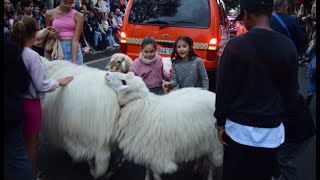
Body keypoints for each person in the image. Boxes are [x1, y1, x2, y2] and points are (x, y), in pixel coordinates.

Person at [214, 0, 299, 180]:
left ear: (247, 14)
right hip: (271, 133)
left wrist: (220, 122)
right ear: (270, 13)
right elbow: (291, 94)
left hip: (237, 130)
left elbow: (224, 89)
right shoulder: (287, 46)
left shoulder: (235, 46)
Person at [9, 16, 74, 179]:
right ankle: (32, 173)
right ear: (34, 34)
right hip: (31, 105)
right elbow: (41, 84)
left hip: (15, 101)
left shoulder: (12, 50)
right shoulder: (32, 56)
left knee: (18, 143)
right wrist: (59, 81)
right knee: (32, 144)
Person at [4, 40, 35, 180]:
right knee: (17, 158)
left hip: (9, 112)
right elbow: (23, 82)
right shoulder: (9, 48)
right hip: (9, 111)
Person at [45, 0, 84, 64]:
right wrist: (51, 35)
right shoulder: (49, 14)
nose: (68, 6)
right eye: (65, 2)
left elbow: (75, 40)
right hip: (57, 48)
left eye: (70, 3)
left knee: (76, 73)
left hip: (73, 48)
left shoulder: (78, 16)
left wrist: (74, 61)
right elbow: (47, 34)